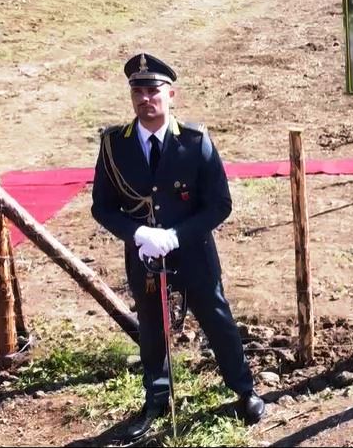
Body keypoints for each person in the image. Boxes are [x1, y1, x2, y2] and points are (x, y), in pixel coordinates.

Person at [91, 53, 264, 441]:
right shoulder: (114, 146)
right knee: (151, 327)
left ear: (172, 95)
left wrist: (176, 235)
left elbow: (219, 204)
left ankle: (243, 390)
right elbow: (102, 207)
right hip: (145, 256)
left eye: (153, 90)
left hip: (193, 251)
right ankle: (156, 398)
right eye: (138, 91)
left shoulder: (195, 142)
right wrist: (138, 235)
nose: (145, 99)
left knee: (216, 318)